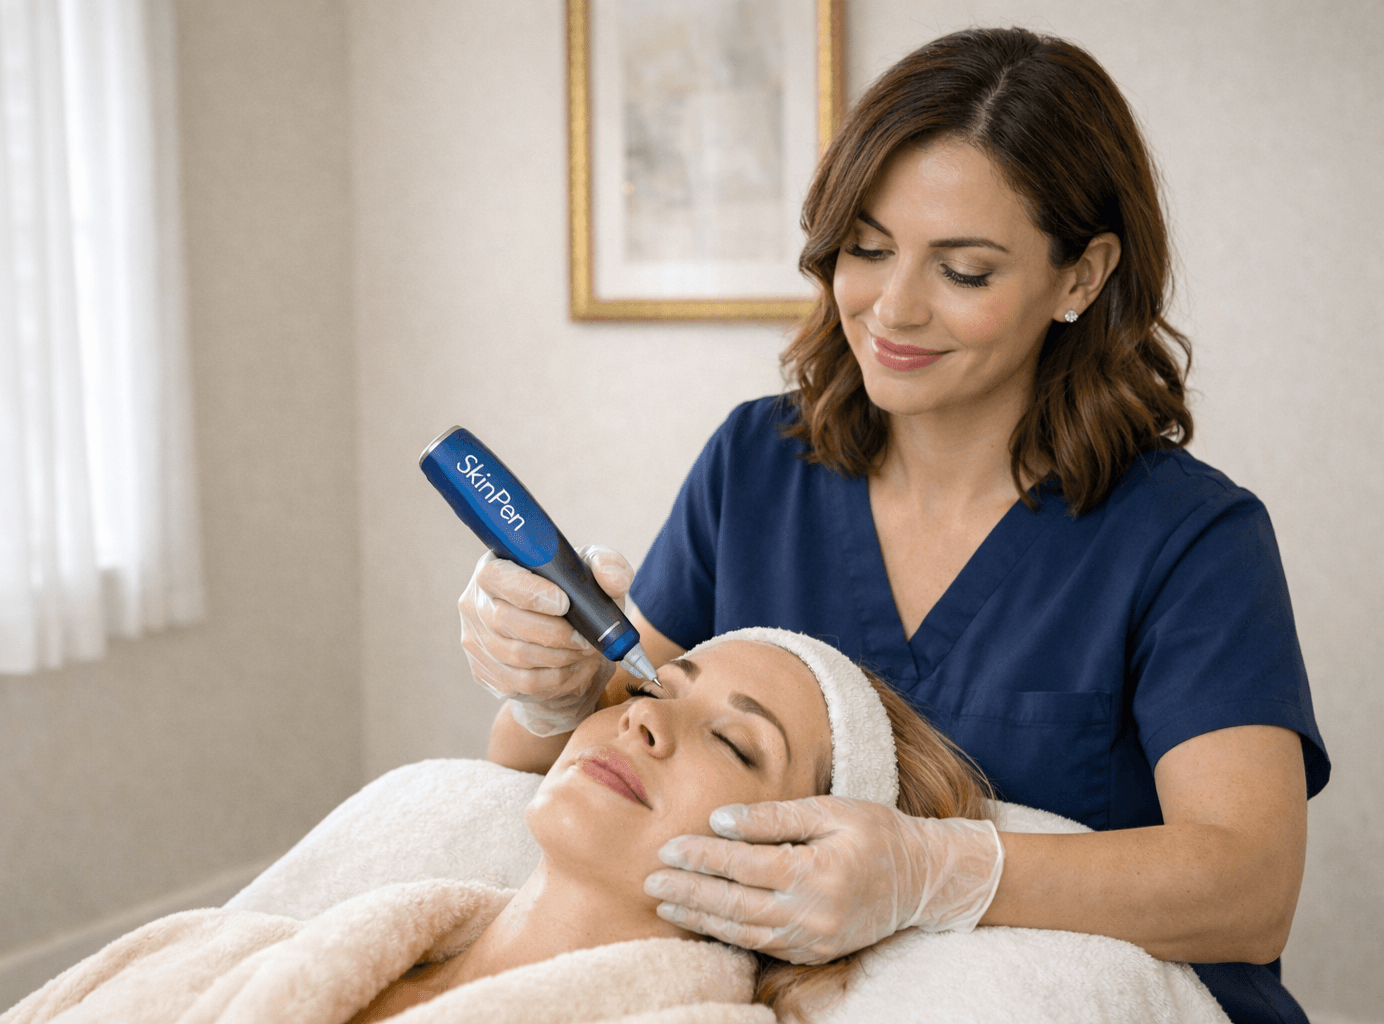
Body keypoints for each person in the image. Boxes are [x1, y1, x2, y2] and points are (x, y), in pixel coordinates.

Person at [457, 26, 1328, 1024]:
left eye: (965, 272)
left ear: (1081, 277)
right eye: (868, 250)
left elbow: (1250, 890)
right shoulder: (758, 465)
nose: (893, 308)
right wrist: (552, 687)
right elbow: (559, 759)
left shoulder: (1191, 539)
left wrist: (934, 870)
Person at [0, 630, 992, 1024]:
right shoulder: (221, 948)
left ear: (799, 870)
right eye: (654, 687)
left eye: (734, 744)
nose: (643, 719)